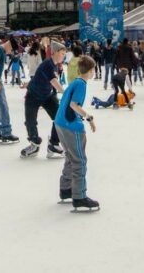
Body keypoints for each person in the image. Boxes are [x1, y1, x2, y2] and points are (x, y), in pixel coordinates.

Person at [54, 55, 99, 212]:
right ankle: (79, 196)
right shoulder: (81, 84)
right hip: (71, 126)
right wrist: (89, 117)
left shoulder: (75, 82)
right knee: (79, 160)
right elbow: (74, 105)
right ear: (91, 70)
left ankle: (66, 189)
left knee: (70, 157)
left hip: (60, 123)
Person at [20, 42, 66, 159]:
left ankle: (53, 144)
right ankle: (34, 144)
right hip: (33, 96)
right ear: (55, 52)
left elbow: (39, 77)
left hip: (47, 95)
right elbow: (54, 81)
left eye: (65, 53)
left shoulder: (54, 65)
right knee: (30, 121)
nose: (64, 55)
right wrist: (66, 94)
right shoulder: (48, 64)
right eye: (62, 53)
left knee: (59, 117)